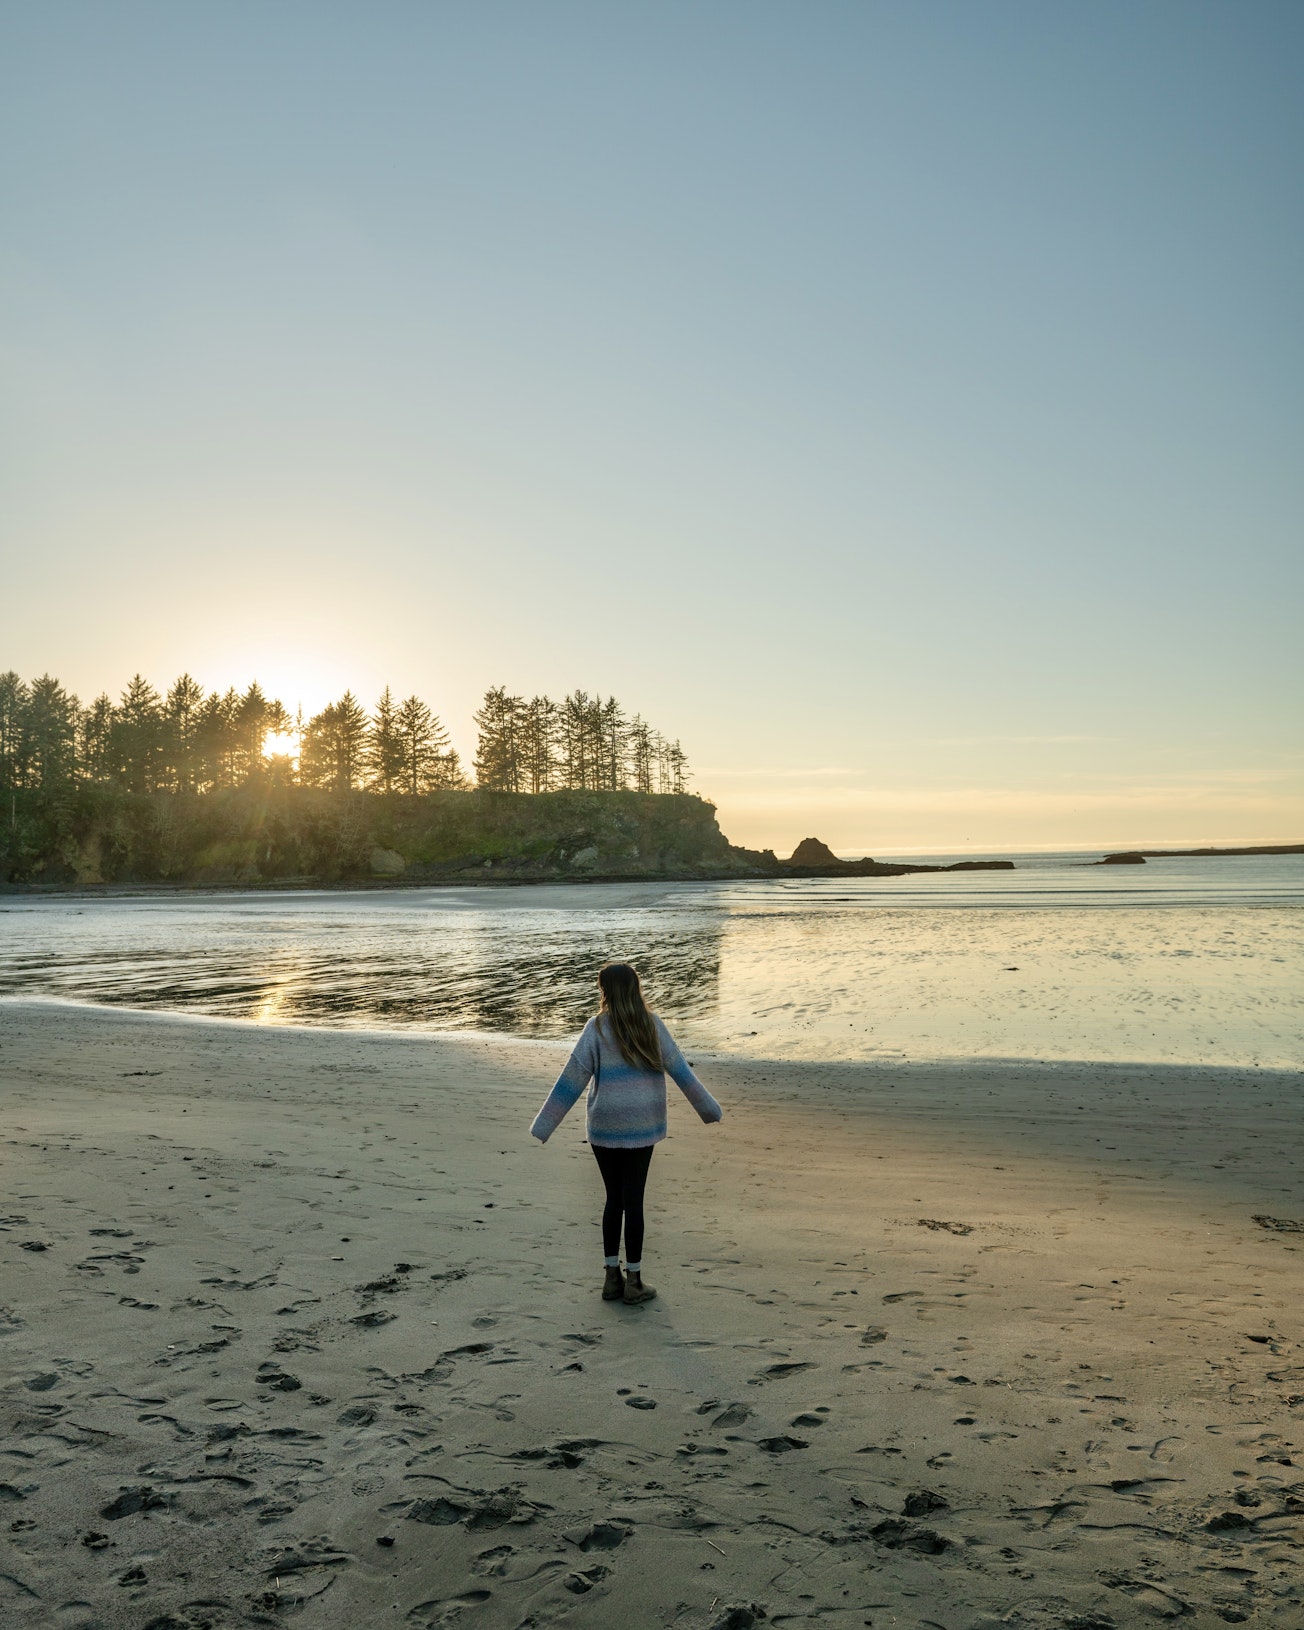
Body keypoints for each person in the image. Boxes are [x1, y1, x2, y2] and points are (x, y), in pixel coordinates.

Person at [530, 962, 723, 1305]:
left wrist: (544, 1125)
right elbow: (681, 1071)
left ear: (603, 991)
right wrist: (709, 1109)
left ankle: (609, 1278)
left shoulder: (596, 1028)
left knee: (613, 1200)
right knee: (634, 1201)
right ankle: (634, 1281)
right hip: (642, 1123)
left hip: (604, 1123)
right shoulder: (651, 1026)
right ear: (637, 988)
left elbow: (572, 1079)